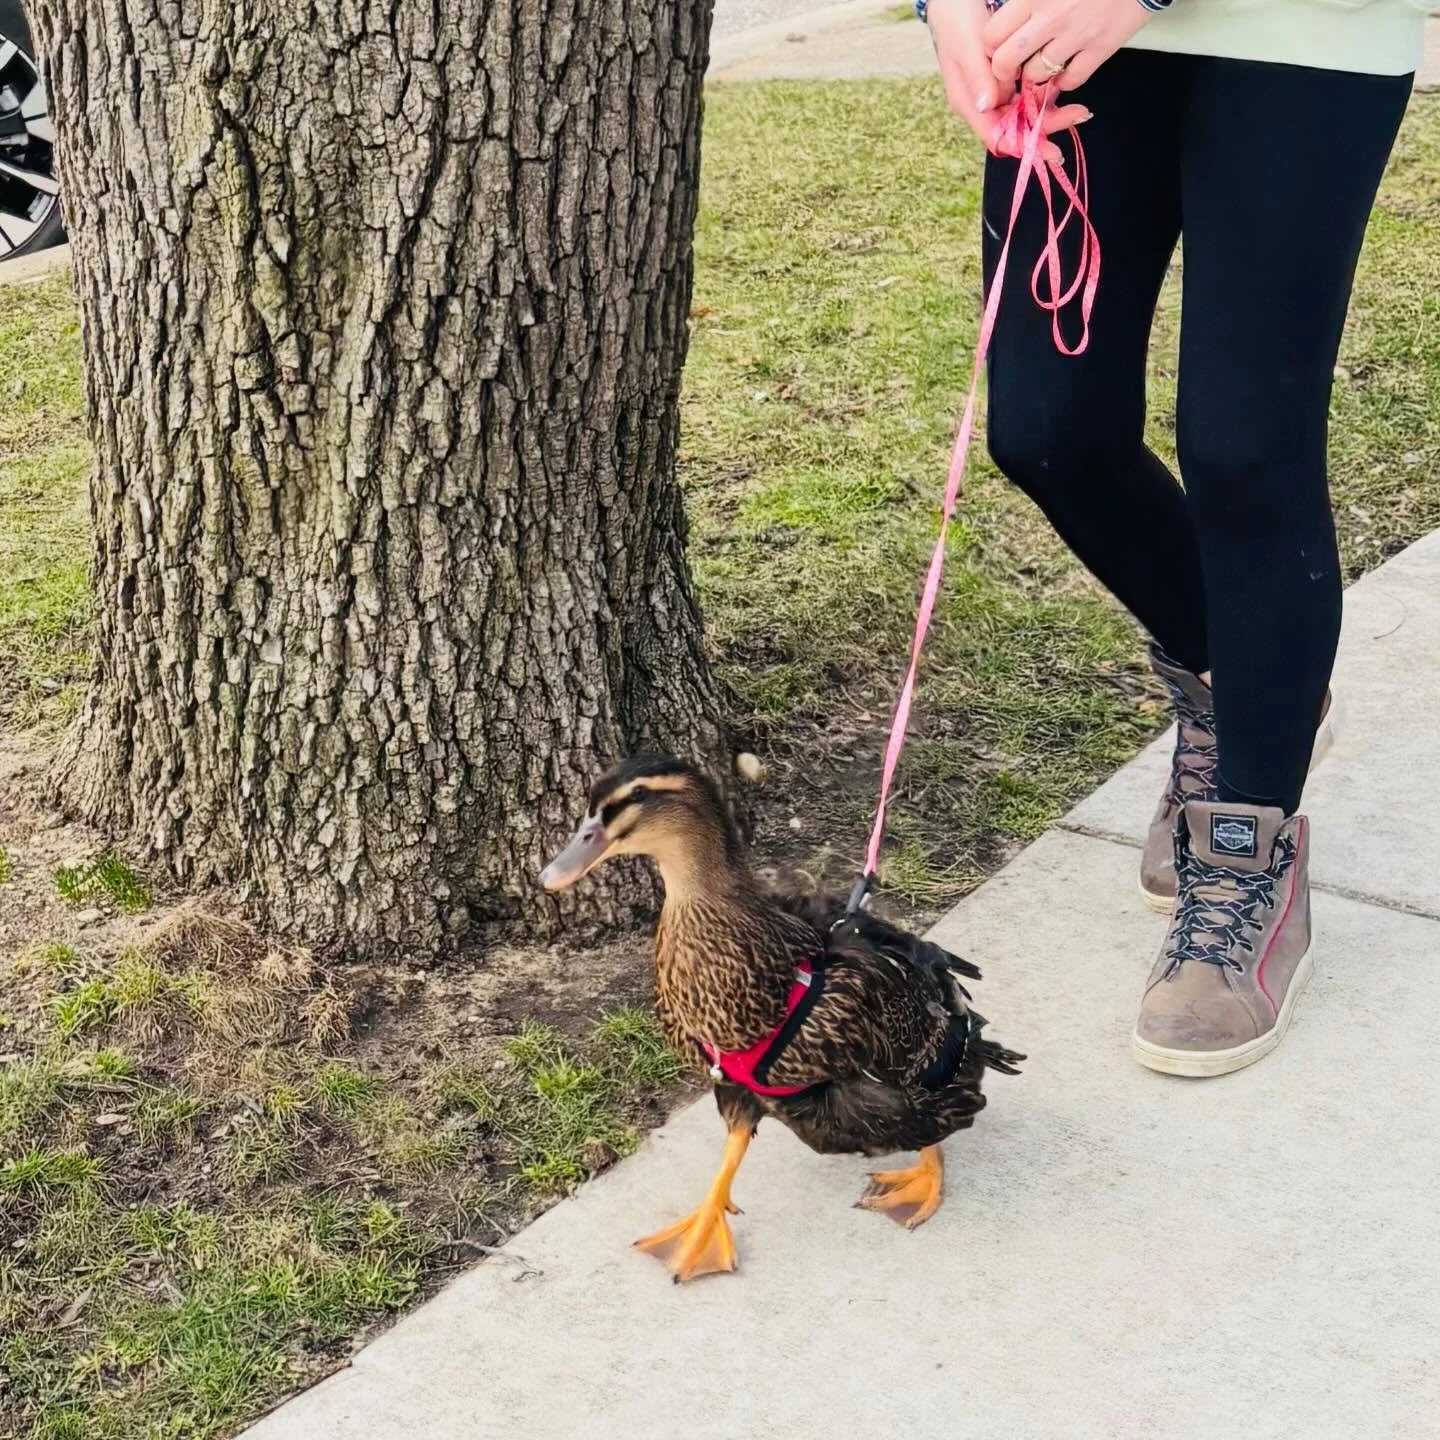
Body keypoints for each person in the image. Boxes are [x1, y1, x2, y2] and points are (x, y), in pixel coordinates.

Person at [922, 0, 1429, 1076]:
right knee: (1049, 430)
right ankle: (1259, 689)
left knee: (1245, 446)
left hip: (1301, 34)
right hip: (1063, 36)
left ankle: (1249, 844)